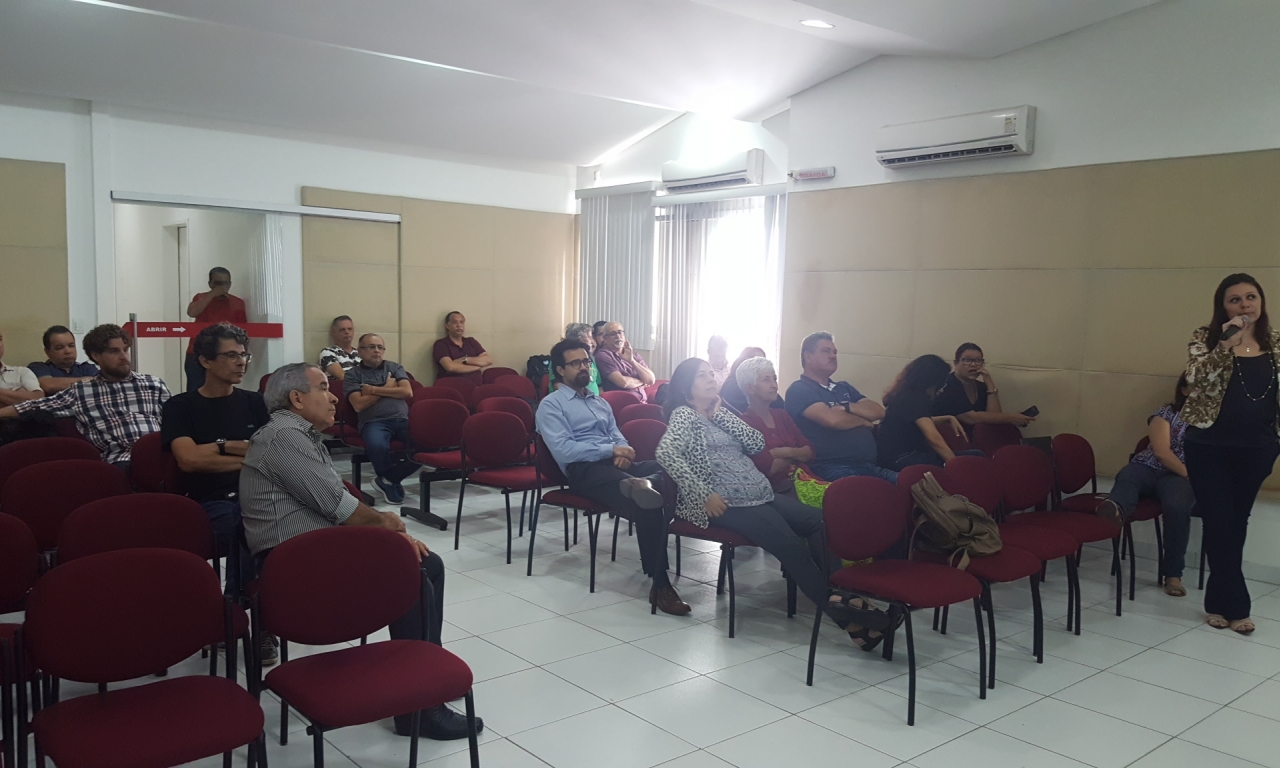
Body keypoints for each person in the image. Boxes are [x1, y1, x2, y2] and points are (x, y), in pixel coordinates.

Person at [239, 362, 481, 739]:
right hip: (295, 571)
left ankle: (422, 689)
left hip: (318, 553)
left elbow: (337, 510)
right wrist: (390, 527)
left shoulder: (300, 435)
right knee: (418, 568)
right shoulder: (284, 436)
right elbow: (340, 507)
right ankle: (420, 704)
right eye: (323, 387)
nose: (334, 397)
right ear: (297, 398)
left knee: (421, 563)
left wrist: (390, 539)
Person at [655, 358, 892, 650]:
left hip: (759, 494)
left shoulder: (719, 413)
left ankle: (841, 597)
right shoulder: (684, 415)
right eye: (701, 376)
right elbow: (666, 454)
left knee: (819, 521)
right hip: (725, 503)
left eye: (710, 373)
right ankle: (852, 618)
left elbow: (756, 443)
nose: (710, 378)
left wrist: (722, 414)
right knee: (791, 545)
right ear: (686, 387)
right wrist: (704, 494)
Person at [536, 339, 689, 615]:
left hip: (617, 466)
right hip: (585, 471)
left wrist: (623, 452)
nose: (584, 367)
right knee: (646, 501)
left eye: (586, 361)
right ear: (560, 370)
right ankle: (661, 585)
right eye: (576, 363)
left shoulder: (599, 403)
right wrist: (610, 450)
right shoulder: (551, 405)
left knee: (667, 468)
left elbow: (617, 435)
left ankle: (644, 484)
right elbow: (564, 449)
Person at [1180, 273, 1279, 635]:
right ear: (1223, 307)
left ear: (1261, 302)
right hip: (1208, 448)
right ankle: (1238, 607)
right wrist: (1224, 346)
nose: (1244, 305)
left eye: (1250, 297)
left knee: (1236, 524)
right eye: (1234, 299)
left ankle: (1216, 602)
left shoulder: (1276, 343)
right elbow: (1195, 381)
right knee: (1219, 522)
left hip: (1258, 448)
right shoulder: (1205, 339)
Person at [161, 323, 268, 600]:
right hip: (212, 500)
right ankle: (239, 607)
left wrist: (217, 448)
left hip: (260, 494)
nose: (241, 362)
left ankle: (266, 604)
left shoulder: (256, 403)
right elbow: (189, 460)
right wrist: (240, 450)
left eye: (243, 355)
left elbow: (272, 454)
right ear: (205, 361)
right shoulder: (180, 407)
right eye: (231, 355)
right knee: (244, 523)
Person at [0, 324, 169, 473]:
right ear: (96, 356)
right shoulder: (82, 391)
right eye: (114, 351)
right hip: (122, 459)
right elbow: (32, 406)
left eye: (125, 349)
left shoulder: (153, 384)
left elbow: (175, 420)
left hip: (161, 453)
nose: (124, 357)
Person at [1095, 375, 1195, 598]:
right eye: (1195, 386)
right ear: (1184, 390)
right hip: (1149, 467)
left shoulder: (1214, 421)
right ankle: (1115, 511)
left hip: (1178, 477)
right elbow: (1161, 452)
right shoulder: (1165, 414)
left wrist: (1191, 475)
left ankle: (1173, 575)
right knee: (1128, 475)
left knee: (1177, 507)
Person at [784, 332, 895, 483]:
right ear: (808, 357)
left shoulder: (843, 387)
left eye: (834, 352)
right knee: (870, 492)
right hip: (830, 467)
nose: (833, 356)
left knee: (913, 484)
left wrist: (845, 407)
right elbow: (832, 420)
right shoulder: (799, 389)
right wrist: (863, 421)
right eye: (826, 351)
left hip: (869, 466)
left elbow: (878, 411)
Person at [345, 334, 419, 504]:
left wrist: (373, 390)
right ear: (360, 351)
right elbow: (358, 405)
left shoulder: (394, 367)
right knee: (378, 446)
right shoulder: (352, 374)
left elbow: (407, 392)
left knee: (429, 444)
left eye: (380, 347)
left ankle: (390, 479)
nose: (377, 351)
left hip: (402, 420)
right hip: (373, 422)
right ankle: (391, 483)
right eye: (371, 347)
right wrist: (388, 388)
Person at [877, 355, 980, 472]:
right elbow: (934, 439)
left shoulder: (905, 394)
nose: (943, 388)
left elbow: (915, 421)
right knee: (975, 459)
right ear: (933, 381)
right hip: (903, 458)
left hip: (895, 457)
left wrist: (948, 418)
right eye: (943, 382)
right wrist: (955, 467)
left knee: (975, 456)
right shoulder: (916, 399)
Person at [735, 356, 813, 493]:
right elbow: (769, 469)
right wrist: (796, 455)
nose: (774, 385)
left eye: (774, 379)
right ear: (750, 388)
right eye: (766, 380)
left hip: (805, 482)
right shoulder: (745, 424)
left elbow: (810, 452)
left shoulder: (782, 415)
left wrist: (785, 452)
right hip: (776, 491)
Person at [933, 343, 1034, 430]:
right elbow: (970, 418)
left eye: (978, 360)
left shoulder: (981, 387)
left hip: (978, 438)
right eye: (967, 360)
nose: (973, 364)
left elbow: (994, 417)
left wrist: (990, 384)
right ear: (956, 363)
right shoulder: (947, 384)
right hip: (949, 439)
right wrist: (1011, 418)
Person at [185, 267, 248, 393]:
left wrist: (244, 356)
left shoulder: (237, 302)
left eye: (225, 283)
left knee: (222, 389)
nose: (222, 287)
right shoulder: (201, 297)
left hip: (225, 354)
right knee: (195, 391)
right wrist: (212, 294)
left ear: (230, 284)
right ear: (210, 284)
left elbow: (242, 333)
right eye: (218, 283)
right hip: (196, 353)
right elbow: (192, 312)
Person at [594, 321, 656, 402]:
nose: (618, 336)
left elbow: (651, 380)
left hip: (642, 402)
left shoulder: (631, 353)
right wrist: (642, 382)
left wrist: (632, 361)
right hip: (622, 403)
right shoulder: (603, 355)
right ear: (605, 339)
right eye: (613, 334)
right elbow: (623, 382)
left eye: (620, 332)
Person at [29, 325, 99, 394]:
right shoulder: (39, 367)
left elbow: (99, 385)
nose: (68, 351)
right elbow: (48, 386)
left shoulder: (87, 368)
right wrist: (88, 380)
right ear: (47, 352)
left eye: (71, 346)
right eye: (59, 347)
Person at [433, 311, 492, 383]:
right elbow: (450, 367)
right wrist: (477, 367)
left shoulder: (471, 341)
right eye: (455, 322)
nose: (459, 325)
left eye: (461, 322)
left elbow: (488, 360)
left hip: (476, 386)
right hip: (452, 387)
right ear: (447, 326)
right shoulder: (441, 344)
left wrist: (464, 360)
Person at [719, 347, 782, 413]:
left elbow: (780, 405)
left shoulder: (768, 388)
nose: (774, 385)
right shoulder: (731, 387)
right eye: (758, 362)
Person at [549, 323, 602, 395]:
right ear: (579, 338)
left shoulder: (590, 358)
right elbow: (557, 385)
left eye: (586, 362)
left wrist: (600, 399)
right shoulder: (561, 357)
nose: (592, 341)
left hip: (593, 399)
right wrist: (580, 398)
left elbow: (599, 384)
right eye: (589, 337)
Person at [0, 330, 42, 407]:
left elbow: (38, 399)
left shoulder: (21, 372)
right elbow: (30, 401)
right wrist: (18, 394)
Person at [320, 315, 359, 380]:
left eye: (350, 329)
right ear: (334, 332)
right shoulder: (328, 353)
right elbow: (341, 376)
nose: (347, 332)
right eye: (342, 330)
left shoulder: (360, 353)